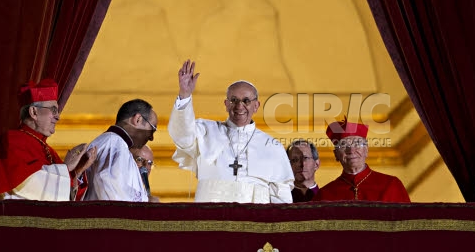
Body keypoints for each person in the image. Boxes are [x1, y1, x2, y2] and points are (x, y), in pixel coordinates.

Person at [167, 60, 293, 203]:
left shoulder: (272, 146)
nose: (239, 106)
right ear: (226, 104)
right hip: (211, 219)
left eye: (246, 101)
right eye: (234, 100)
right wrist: (184, 95)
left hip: (255, 221)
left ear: (256, 106)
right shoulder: (206, 131)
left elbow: (281, 195)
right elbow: (182, 135)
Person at [0, 79, 96, 201]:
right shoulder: (12, 141)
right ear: (34, 112)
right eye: (53, 110)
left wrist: (76, 172)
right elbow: (26, 186)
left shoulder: (50, 151)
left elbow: (64, 200)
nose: (58, 117)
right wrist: (65, 168)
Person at [315, 119, 410, 202]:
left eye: (357, 144)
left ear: (366, 150)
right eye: (343, 145)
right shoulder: (325, 195)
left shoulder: (391, 185)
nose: (351, 150)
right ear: (336, 154)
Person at [84, 99, 157, 202]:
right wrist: (145, 204)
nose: (151, 138)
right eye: (152, 129)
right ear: (138, 119)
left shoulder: (118, 144)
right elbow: (110, 188)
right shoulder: (113, 142)